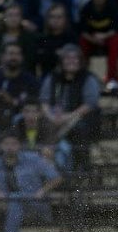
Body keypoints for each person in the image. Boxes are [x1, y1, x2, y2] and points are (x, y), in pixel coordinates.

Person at [0, 128, 62, 232]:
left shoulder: (33, 159)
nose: (10, 147)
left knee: (15, 198)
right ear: (1, 146)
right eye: (6, 144)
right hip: (5, 206)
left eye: (13, 144)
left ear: (19, 145)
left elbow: (56, 177)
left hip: (33, 204)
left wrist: (42, 190)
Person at [39, 43, 100, 176]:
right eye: (67, 58)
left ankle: (80, 168)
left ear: (80, 61)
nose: (71, 61)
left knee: (79, 129)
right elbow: (44, 101)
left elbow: (90, 104)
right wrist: (51, 117)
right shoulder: (53, 77)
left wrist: (67, 117)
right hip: (54, 117)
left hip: (78, 118)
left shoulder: (88, 78)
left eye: (75, 58)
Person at [0, 42, 41, 129]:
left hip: (19, 121)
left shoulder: (30, 81)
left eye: (17, 54)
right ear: (2, 57)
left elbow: (33, 106)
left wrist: (11, 101)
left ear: (22, 58)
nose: (14, 57)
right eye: (10, 54)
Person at [78, 0, 118, 90]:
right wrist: (93, 39)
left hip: (109, 37)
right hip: (92, 39)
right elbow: (82, 31)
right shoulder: (86, 8)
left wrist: (104, 36)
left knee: (115, 43)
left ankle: (112, 78)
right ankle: (82, 77)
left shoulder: (113, 7)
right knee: (82, 44)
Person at [0, 1, 38, 74]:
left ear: (21, 18)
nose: (13, 19)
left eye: (16, 15)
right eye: (10, 15)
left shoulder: (29, 37)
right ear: (4, 17)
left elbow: (29, 63)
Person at [35, 3, 79, 78]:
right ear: (47, 19)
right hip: (46, 78)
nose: (55, 20)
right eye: (52, 17)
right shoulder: (41, 39)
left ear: (65, 19)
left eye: (59, 17)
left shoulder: (71, 38)